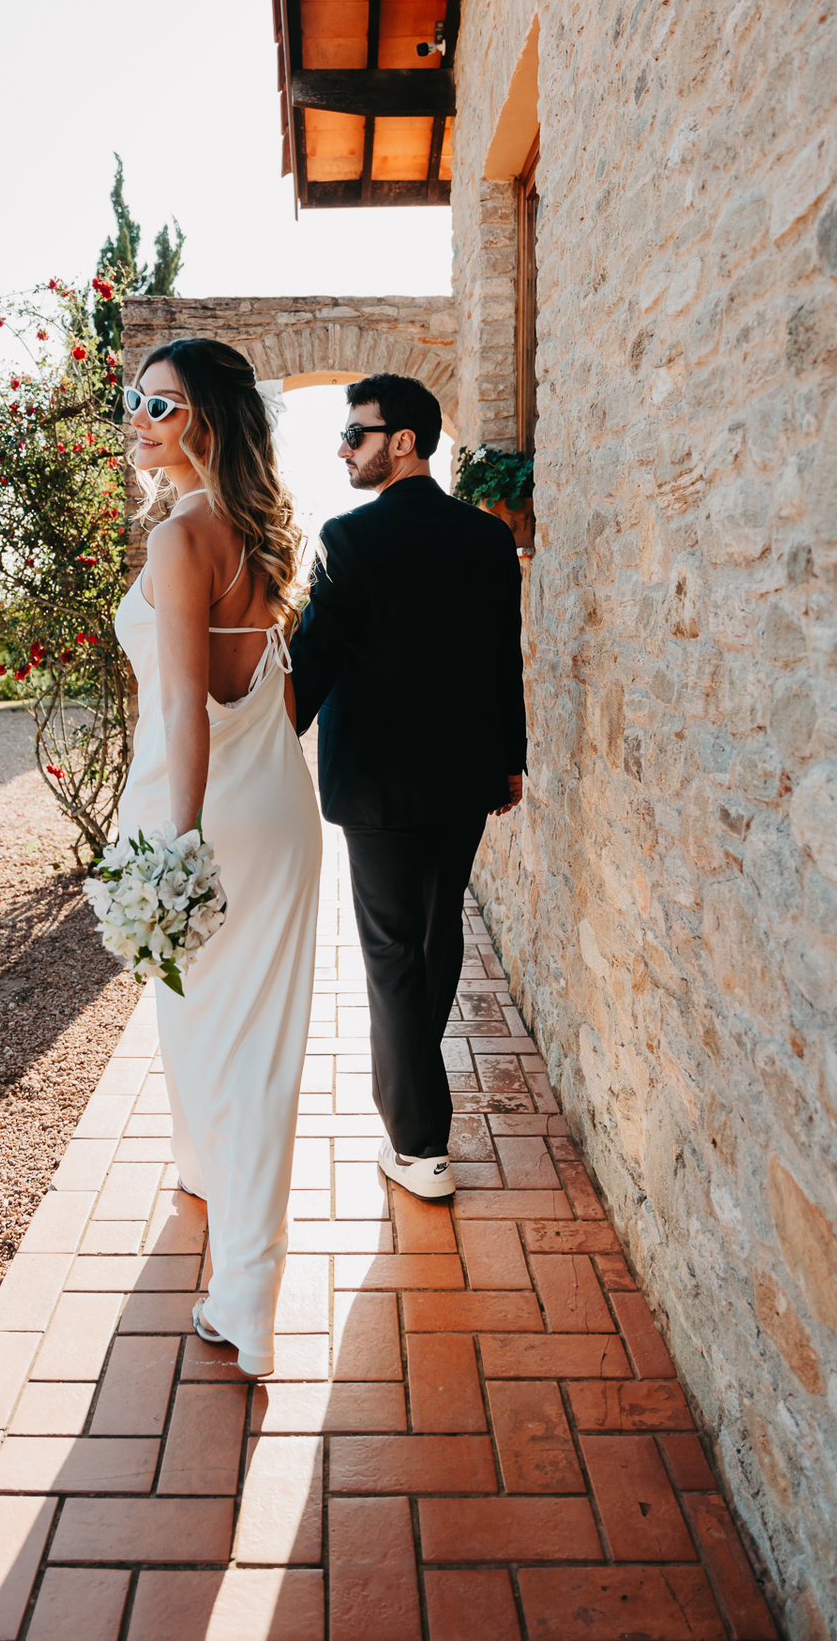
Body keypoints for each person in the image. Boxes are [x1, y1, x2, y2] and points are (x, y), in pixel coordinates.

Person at [114, 338, 321, 1377]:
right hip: (279, 807)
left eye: (162, 403)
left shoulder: (177, 538)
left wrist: (181, 846)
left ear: (207, 419)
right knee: (262, 1049)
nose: (139, 417)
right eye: (136, 397)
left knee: (209, 1041)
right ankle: (229, 1237)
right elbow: (276, 691)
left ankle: (243, 1297)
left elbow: (185, 711)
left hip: (199, 811)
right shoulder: (263, 531)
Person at [290, 373, 526, 1201]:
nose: (343, 449)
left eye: (355, 434)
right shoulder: (487, 538)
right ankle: (414, 1115)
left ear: (404, 442)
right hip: (465, 779)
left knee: (395, 953)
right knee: (434, 936)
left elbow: (312, 660)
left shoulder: (347, 538)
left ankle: (421, 1146)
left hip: (378, 786)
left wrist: (263, 735)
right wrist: (510, 759)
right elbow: (502, 657)